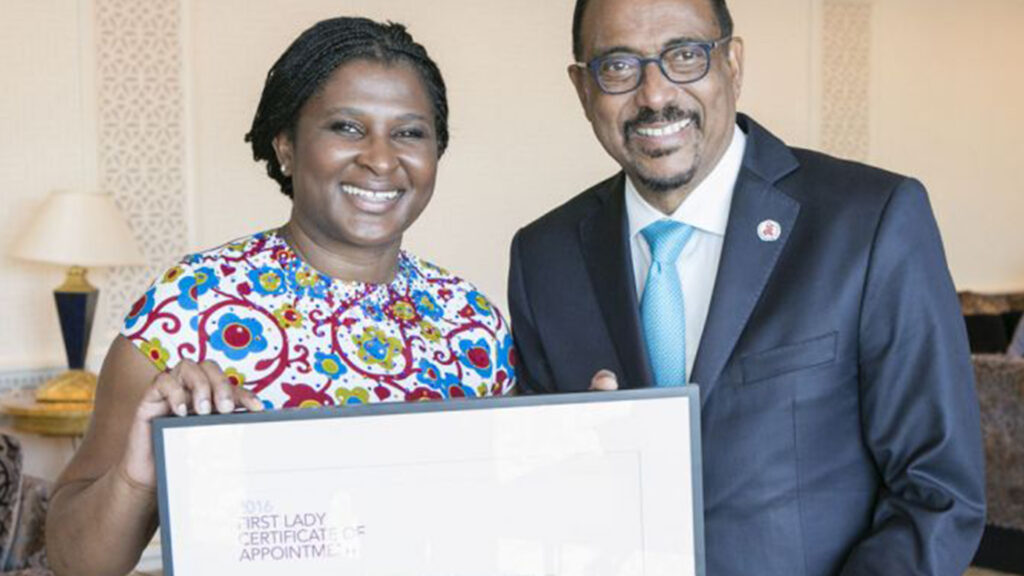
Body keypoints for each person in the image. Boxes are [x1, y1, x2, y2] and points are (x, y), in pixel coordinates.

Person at [507, 0, 985, 574]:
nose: (654, 95)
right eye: (618, 66)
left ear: (732, 64)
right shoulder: (543, 257)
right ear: (583, 89)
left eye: (685, 55)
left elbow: (938, 493)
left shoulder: (870, 220)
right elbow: (538, 501)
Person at [46, 17, 515, 576]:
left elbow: (504, 524)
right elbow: (75, 563)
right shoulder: (190, 305)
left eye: (410, 133)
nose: (381, 159)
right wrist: (137, 474)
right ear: (286, 146)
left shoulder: (473, 323)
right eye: (347, 127)